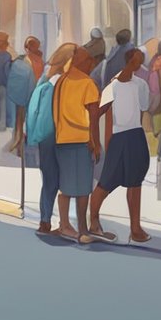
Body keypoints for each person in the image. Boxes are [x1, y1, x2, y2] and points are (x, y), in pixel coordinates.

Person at [84, 48, 151, 244]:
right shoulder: (112, 87)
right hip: (119, 138)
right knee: (106, 182)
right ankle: (93, 220)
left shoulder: (141, 84)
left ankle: (135, 228)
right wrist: (94, 141)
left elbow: (145, 107)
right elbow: (97, 114)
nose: (139, 64)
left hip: (136, 135)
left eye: (141, 61)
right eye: (137, 60)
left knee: (135, 181)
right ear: (129, 60)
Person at [54, 47, 102, 242]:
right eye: (90, 62)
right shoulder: (87, 84)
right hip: (82, 140)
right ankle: (83, 230)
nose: (92, 65)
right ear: (83, 62)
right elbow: (94, 117)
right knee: (83, 188)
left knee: (65, 186)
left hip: (62, 139)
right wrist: (96, 143)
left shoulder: (61, 81)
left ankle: (64, 225)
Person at [32, 43, 76, 236]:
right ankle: (64, 222)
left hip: (45, 135)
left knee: (49, 178)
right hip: (62, 133)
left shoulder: (45, 78)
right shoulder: (67, 82)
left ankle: (45, 220)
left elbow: (34, 107)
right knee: (65, 177)